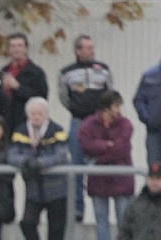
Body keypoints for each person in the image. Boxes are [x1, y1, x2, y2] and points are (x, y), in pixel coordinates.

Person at [8, 97, 69, 240]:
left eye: (40, 113)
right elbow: (12, 155)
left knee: (56, 230)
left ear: (46, 115)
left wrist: (40, 163)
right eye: (33, 113)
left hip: (56, 189)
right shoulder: (20, 131)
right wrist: (27, 162)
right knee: (27, 223)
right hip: (33, 189)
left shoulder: (57, 130)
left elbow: (61, 155)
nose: (36, 117)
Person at [59, 35, 113, 222]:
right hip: (78, 122)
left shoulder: (104, 70)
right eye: (87, 48)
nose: (92, 51)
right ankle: (78, 209)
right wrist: (77, 109)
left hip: (100, 123)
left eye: (92, 48)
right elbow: (64, 97)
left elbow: (109, 94)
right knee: (76, 165)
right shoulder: (66, 72)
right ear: (77, 51)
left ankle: (103, 212)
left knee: (102, 165)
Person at [78, 90, 134, 240]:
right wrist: (107, 145)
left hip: (121, 178)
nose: (119, 109)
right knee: (100, 217)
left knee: (123, 218)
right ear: (106, 107)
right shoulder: (89, 124)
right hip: (98, 179)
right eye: (116, 105)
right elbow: (85, 144)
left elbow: (122, 148)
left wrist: (99, 157)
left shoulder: (125, 124)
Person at [0, 33, 48, 133]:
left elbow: (41, 98)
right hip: (5, 121)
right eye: (13, 46)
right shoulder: (4, 70)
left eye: (19, 46)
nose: (16, 49)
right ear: (8, 49)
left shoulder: (36, 72)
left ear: (26, 49)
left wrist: (18, 87)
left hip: (26, 122)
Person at [135, 51, 161, 166]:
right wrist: (148, 119)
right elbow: (138, 100)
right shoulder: (149, 76)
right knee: (154, 169)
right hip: (154, 132)